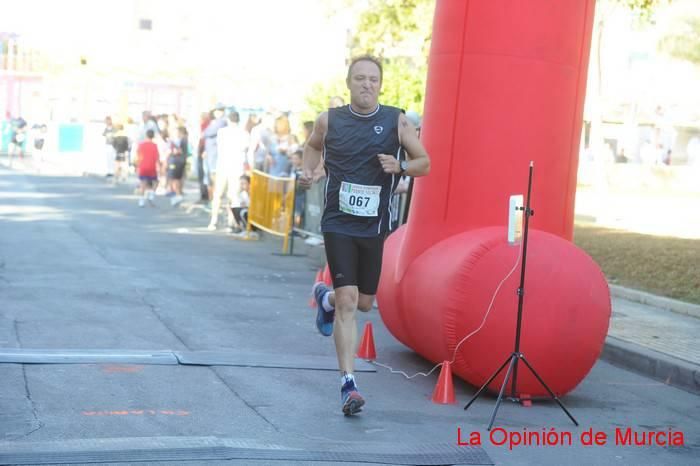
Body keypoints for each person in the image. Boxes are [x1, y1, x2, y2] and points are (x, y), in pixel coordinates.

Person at [299, 55, 431, 416]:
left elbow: (425, 162)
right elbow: (312, 146)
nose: (367, 84)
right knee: (348, 302)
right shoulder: (331, 120)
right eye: (360, 78)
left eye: (373, 79)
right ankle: (348, 384)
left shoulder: (396, 120)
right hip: (338, 222)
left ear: (381, 84)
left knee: (364, 303)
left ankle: (323, 299)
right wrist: (308, 171)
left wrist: (400, 165)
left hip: (374, 226)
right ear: (348, 83)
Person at [208, 111, 249, 231]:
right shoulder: (244, 133)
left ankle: (214, 220)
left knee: (218, 194)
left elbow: (219, 146)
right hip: (236, 167)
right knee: (233, 196)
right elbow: (246, 149)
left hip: (223, 165)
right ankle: (231, 222)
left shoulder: (222, 132)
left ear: (229, 120)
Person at [136, 129, 160, 207]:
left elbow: (138, 156)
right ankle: (151, 194)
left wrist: (137, 166)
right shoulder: (154, 145)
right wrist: (159, 166)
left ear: (146, 135)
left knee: (143, 183)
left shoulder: (141, 145)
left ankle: (141, 200)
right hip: (152, 166)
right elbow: (157, 157)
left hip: (143, 165)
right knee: (155, 182)